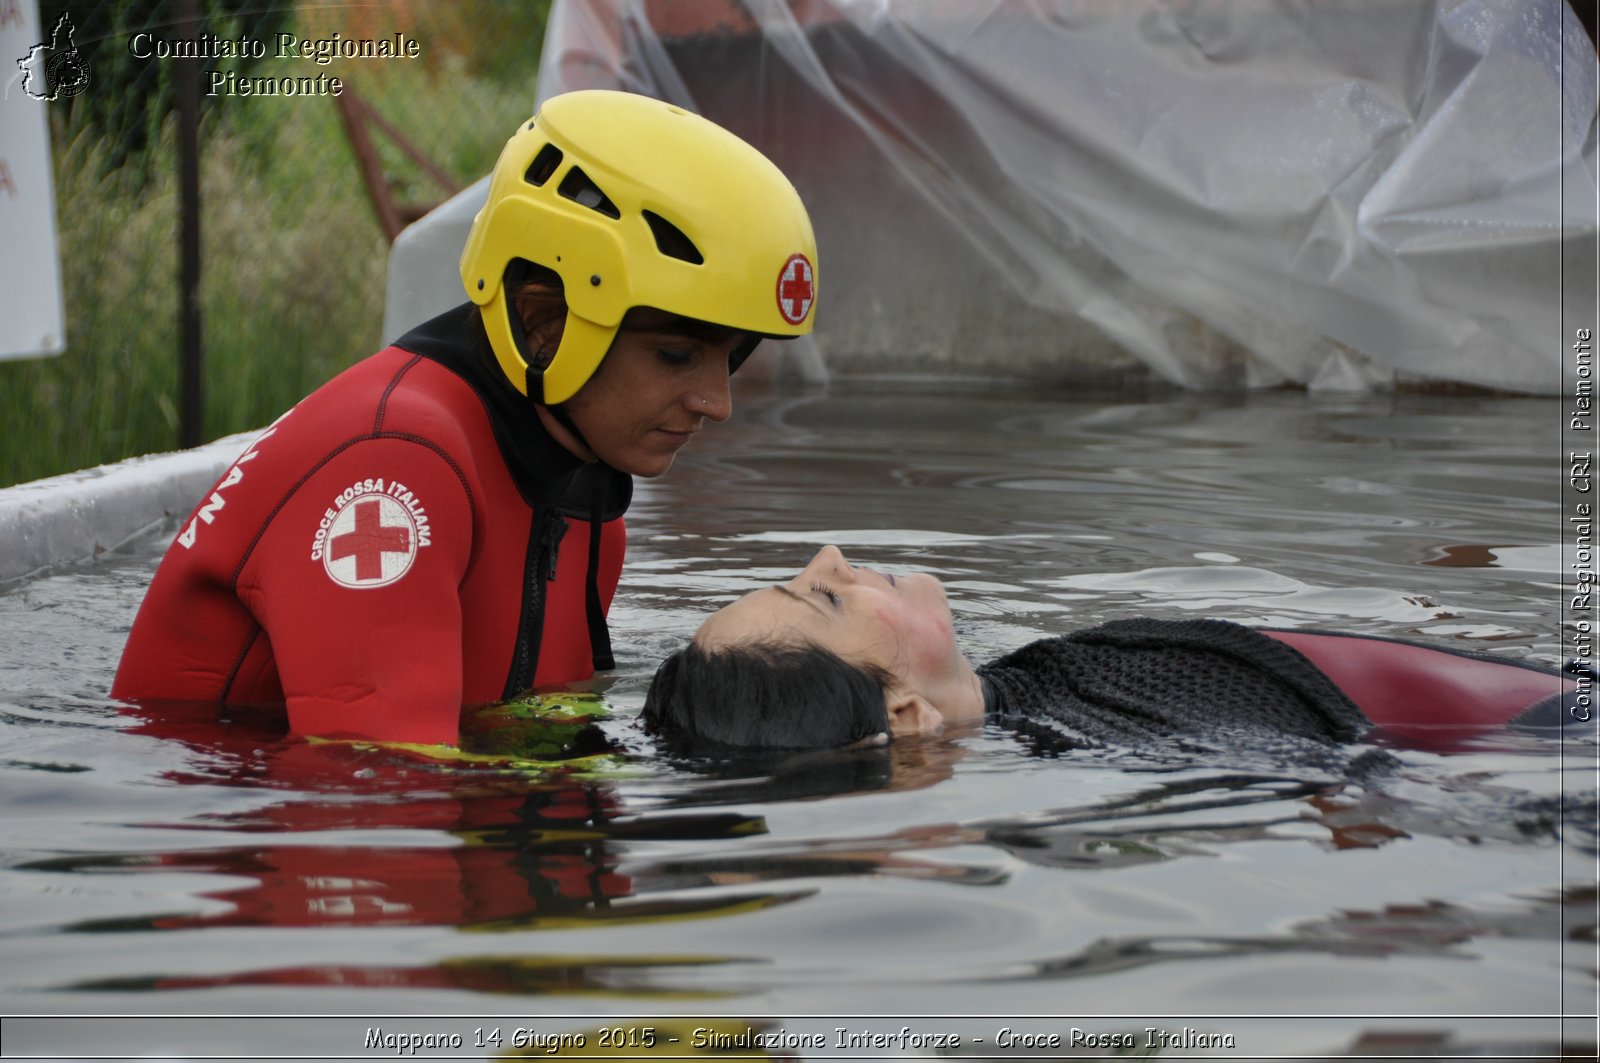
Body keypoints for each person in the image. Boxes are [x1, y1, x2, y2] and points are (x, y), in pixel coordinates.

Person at [113, 90, 819, 746]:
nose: (716, 403)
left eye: (732, 358)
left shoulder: (586, 494)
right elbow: (380, 790)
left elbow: (540, 739)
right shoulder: (392, 462)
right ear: (544, 320)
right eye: (676, 354)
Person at [643, 546, 1586, 754]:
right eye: (819, 594)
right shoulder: (1104, 736)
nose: (831, 556)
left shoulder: (1035, 694)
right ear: (901, 712)